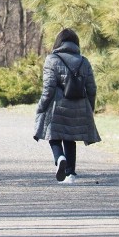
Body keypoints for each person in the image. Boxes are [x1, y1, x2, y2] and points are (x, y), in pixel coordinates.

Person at [33, 28, 100, 183]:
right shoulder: (84, 61)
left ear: (58, 42)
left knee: (53, 135)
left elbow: (48, 87)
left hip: (57, 105)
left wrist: (42, 106)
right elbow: (92, 88)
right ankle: (71, 174)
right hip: (78, 105)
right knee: (70, 139)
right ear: (76, 43)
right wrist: (89, 107)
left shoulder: (52, 59)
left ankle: (59, 158)